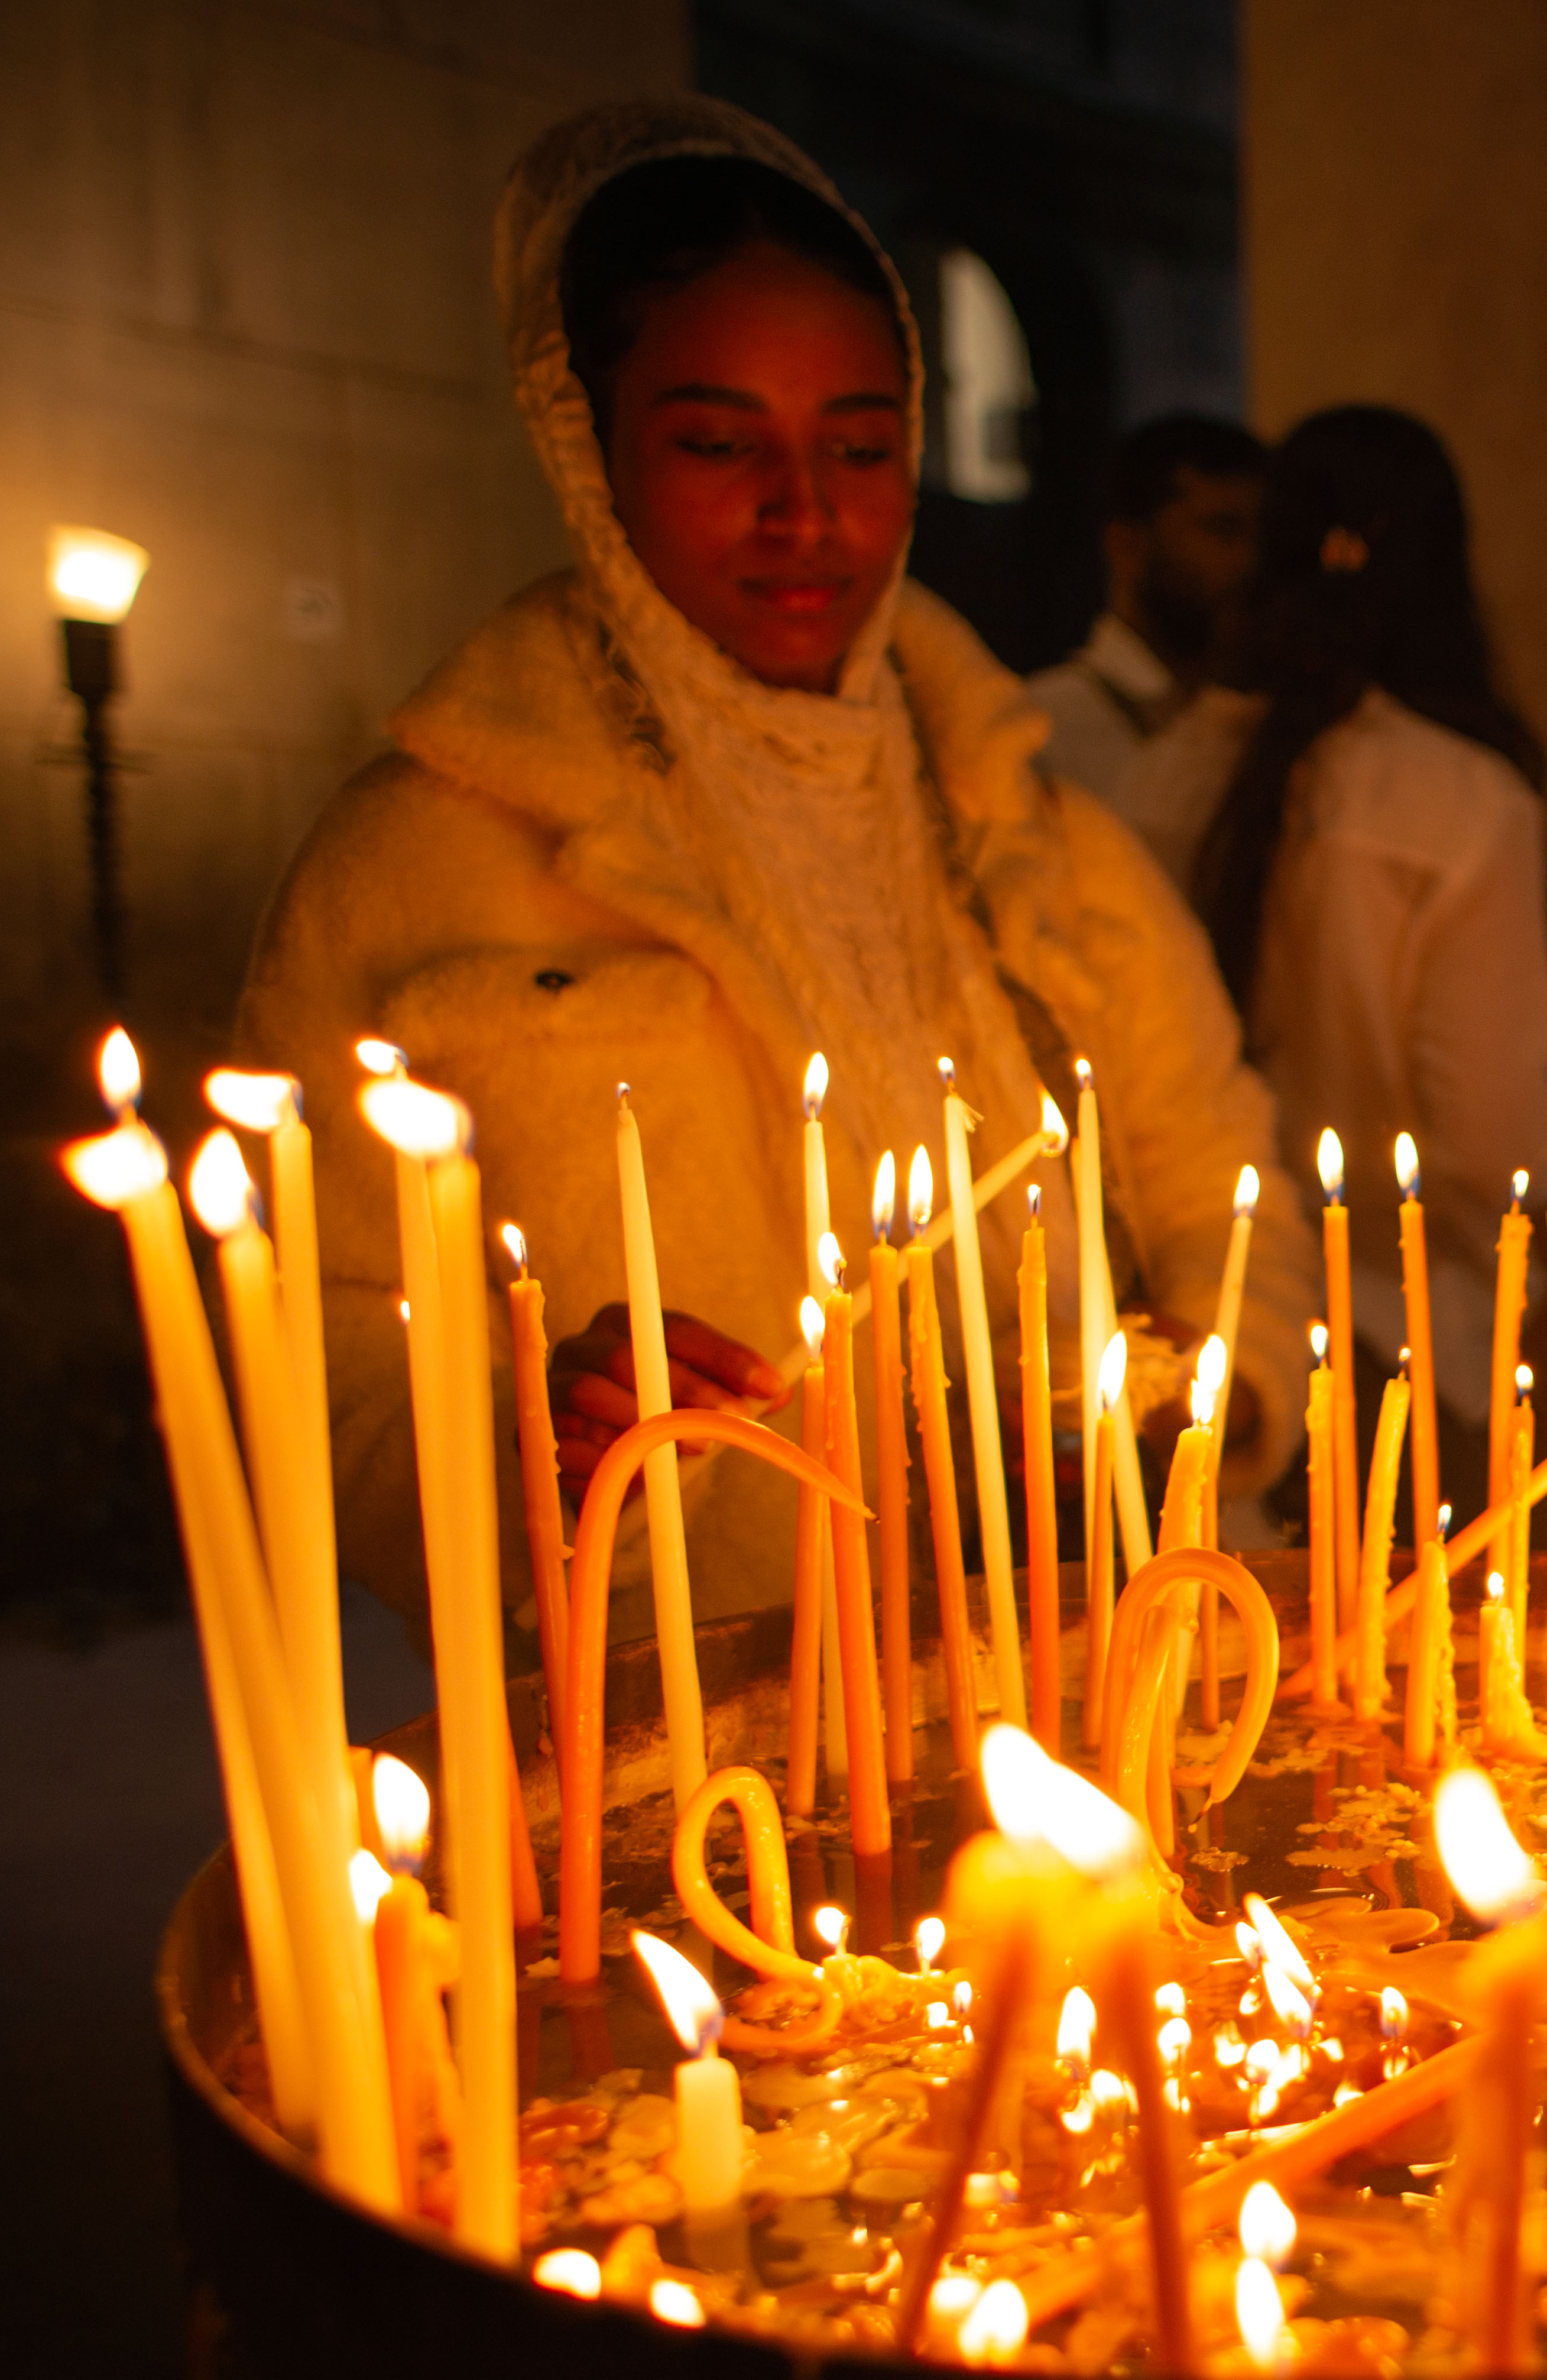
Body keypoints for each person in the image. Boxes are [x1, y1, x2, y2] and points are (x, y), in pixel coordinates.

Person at [236, 99, 1293, 1645]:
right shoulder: (423, 863)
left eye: (860, 446)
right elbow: (308, 1338)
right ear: (583, 437)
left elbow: (1222, 1180)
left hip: (1115, 1662)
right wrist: (534, 1435)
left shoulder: (1044, 838)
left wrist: (1194, 1386)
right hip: (709, 1744)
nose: (807, 512)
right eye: (721, 443)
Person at [1120, 403, 1547, 1420]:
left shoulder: (1154, 778)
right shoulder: (1462, 801)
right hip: (1404, 1348)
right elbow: (1489, 1142)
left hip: (1218, 1338)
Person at [1026, 410, 1266, 840]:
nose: (1250, 561)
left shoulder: (1262, 716)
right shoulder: (1043, 728)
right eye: (1223, 530)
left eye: (1261, 536)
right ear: (1128, 546)